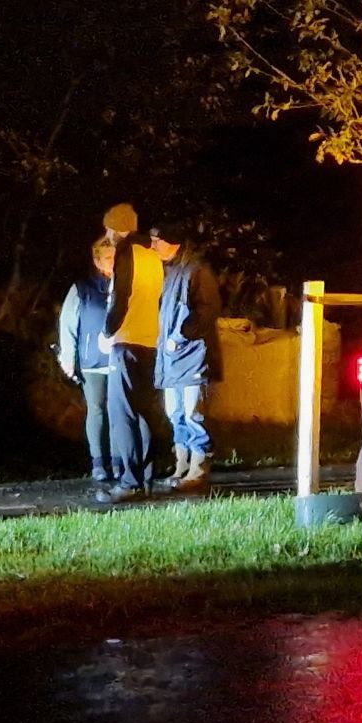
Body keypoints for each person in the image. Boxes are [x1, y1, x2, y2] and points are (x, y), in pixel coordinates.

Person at [96, 202, 164, 504]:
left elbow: (121, 297)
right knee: (146, 412)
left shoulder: (126, 253)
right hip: (151, 341)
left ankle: (128, 482)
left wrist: (107, 331)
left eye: (109, 229)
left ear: (117, 228)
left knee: (122, 412)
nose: (107, 235)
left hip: (126, 341)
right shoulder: (153, 255)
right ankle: (146, 478)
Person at [150, 220, 223, 492]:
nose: (153, 246)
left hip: (192, 357)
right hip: (172, 358)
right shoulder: (169, 272)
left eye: (157, 241)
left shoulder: (197, 271)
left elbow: (207, 310)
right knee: (175, 413)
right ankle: (181, 465)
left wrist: (179, 337)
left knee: (193, 413)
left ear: (173, 242)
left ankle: (198, 467)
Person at [57, 237, 118, 482]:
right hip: (92, 361)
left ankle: (119, 461)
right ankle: (99, 462)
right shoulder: (82, 289)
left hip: (119, 359)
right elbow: (68, 324)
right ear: (96, 260)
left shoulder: (125, 285)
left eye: (116, 257)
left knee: (118, 411)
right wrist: (68, 358)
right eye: (108, 258)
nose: (113, 262)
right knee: (97, 409)